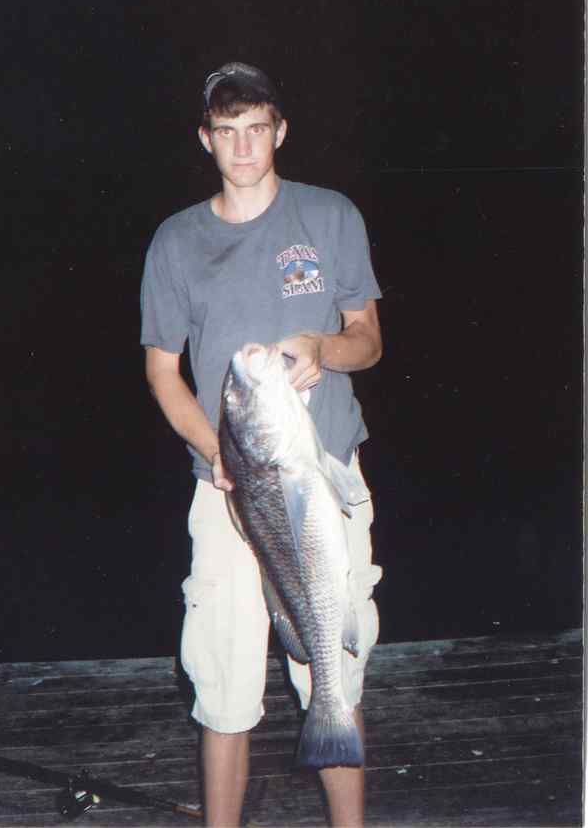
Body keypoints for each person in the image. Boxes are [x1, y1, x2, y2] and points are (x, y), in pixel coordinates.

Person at [140, 62, 383, 827]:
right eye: (227, 132)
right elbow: (162, 372)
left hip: (325, 473)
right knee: (223, 678)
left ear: (280, 130)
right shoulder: (176, 241)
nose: (243, 147)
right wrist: (219, 450)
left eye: (256, 129)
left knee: (335, 669)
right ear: (205, 139)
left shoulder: (331, 216)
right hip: (225, 485)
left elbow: (368, 340)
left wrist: (321, 348)